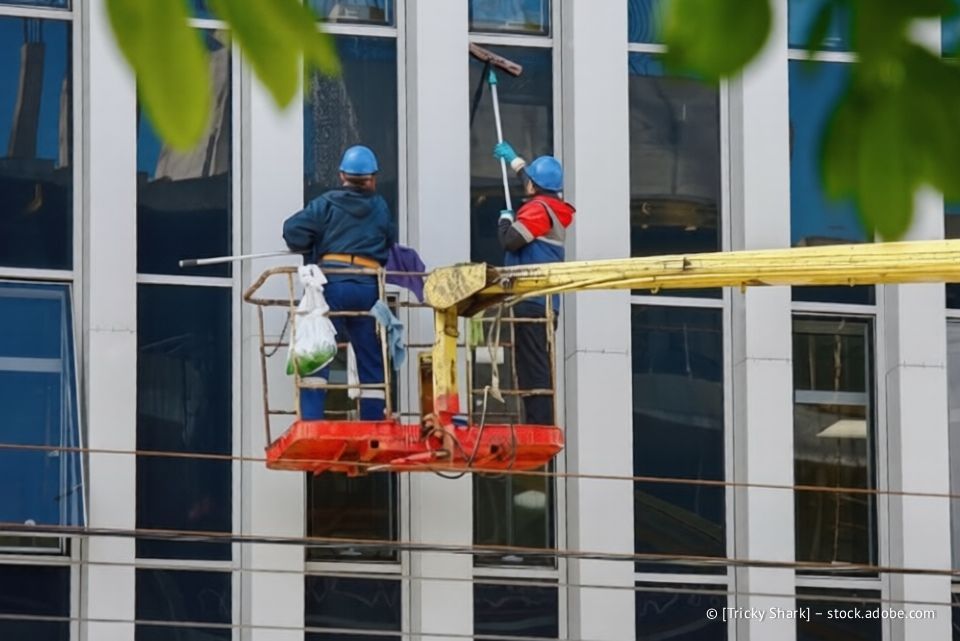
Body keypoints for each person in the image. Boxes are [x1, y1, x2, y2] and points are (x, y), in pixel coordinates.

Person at [283, 145, 397, 421]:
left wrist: (312, 245)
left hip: (333, 283)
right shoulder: (380, 207)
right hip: (367, 287)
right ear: (372, 178)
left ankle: (312, 419)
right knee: (369, 354)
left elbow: (293, 231)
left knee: (318, 344)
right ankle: (373, 420)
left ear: (342, 175)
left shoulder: (326, 203)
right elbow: (389, 241)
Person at [492, 140, 575, 426]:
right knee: (532, 361)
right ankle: (536, 419)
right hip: (541, 301)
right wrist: (515, 160)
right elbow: (531, 181)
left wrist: (505, 221)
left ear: (536, 187)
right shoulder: (552, 206)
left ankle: (538, 423)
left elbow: (510, 241)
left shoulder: (538, 211)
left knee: (532, 365)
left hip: (532, 300)